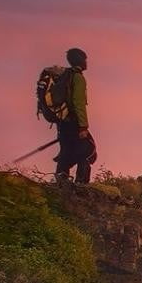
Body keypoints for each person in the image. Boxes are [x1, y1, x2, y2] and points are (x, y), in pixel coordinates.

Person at [53, 47, 96, 185]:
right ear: (81, 60)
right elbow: (79, 103)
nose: (86, 63)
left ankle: (61, 181)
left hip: (62, 122)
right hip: (74, 121)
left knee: (66, 150)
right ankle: (81, 184)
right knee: (87, 150)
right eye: (85, 60)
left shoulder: (66, 75)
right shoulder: (78, 78)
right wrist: (83, 126)